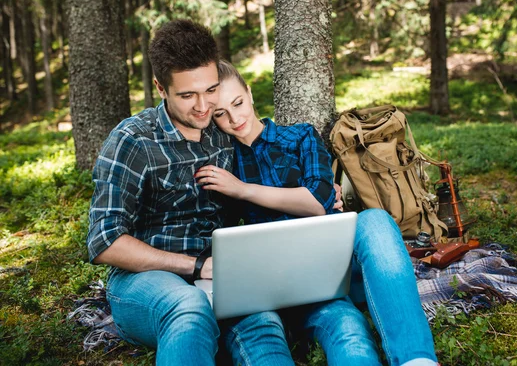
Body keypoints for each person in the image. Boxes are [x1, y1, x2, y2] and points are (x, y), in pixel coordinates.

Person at [87, 19, 382, 366]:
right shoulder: (133, 141)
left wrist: (319, 191)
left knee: (265, 327)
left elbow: (264, 150)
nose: (203, 107)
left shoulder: (222, 131)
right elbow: (104, 241)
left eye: (210, 90)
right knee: (190, 308)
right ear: (160, 88)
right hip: (149, 281)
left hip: (229, 276)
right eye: (187, 95)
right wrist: (196, 266)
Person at [194, 60, 440, 366]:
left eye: (238, 103)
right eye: (221, 114)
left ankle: (417, 360)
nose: (234, 118)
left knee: (374, 224)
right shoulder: (224, 161)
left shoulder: (299, 137)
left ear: (249, 92)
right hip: (273, 285)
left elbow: (318, 201)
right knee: (342, 328)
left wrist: (242, 189)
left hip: (329, 269)